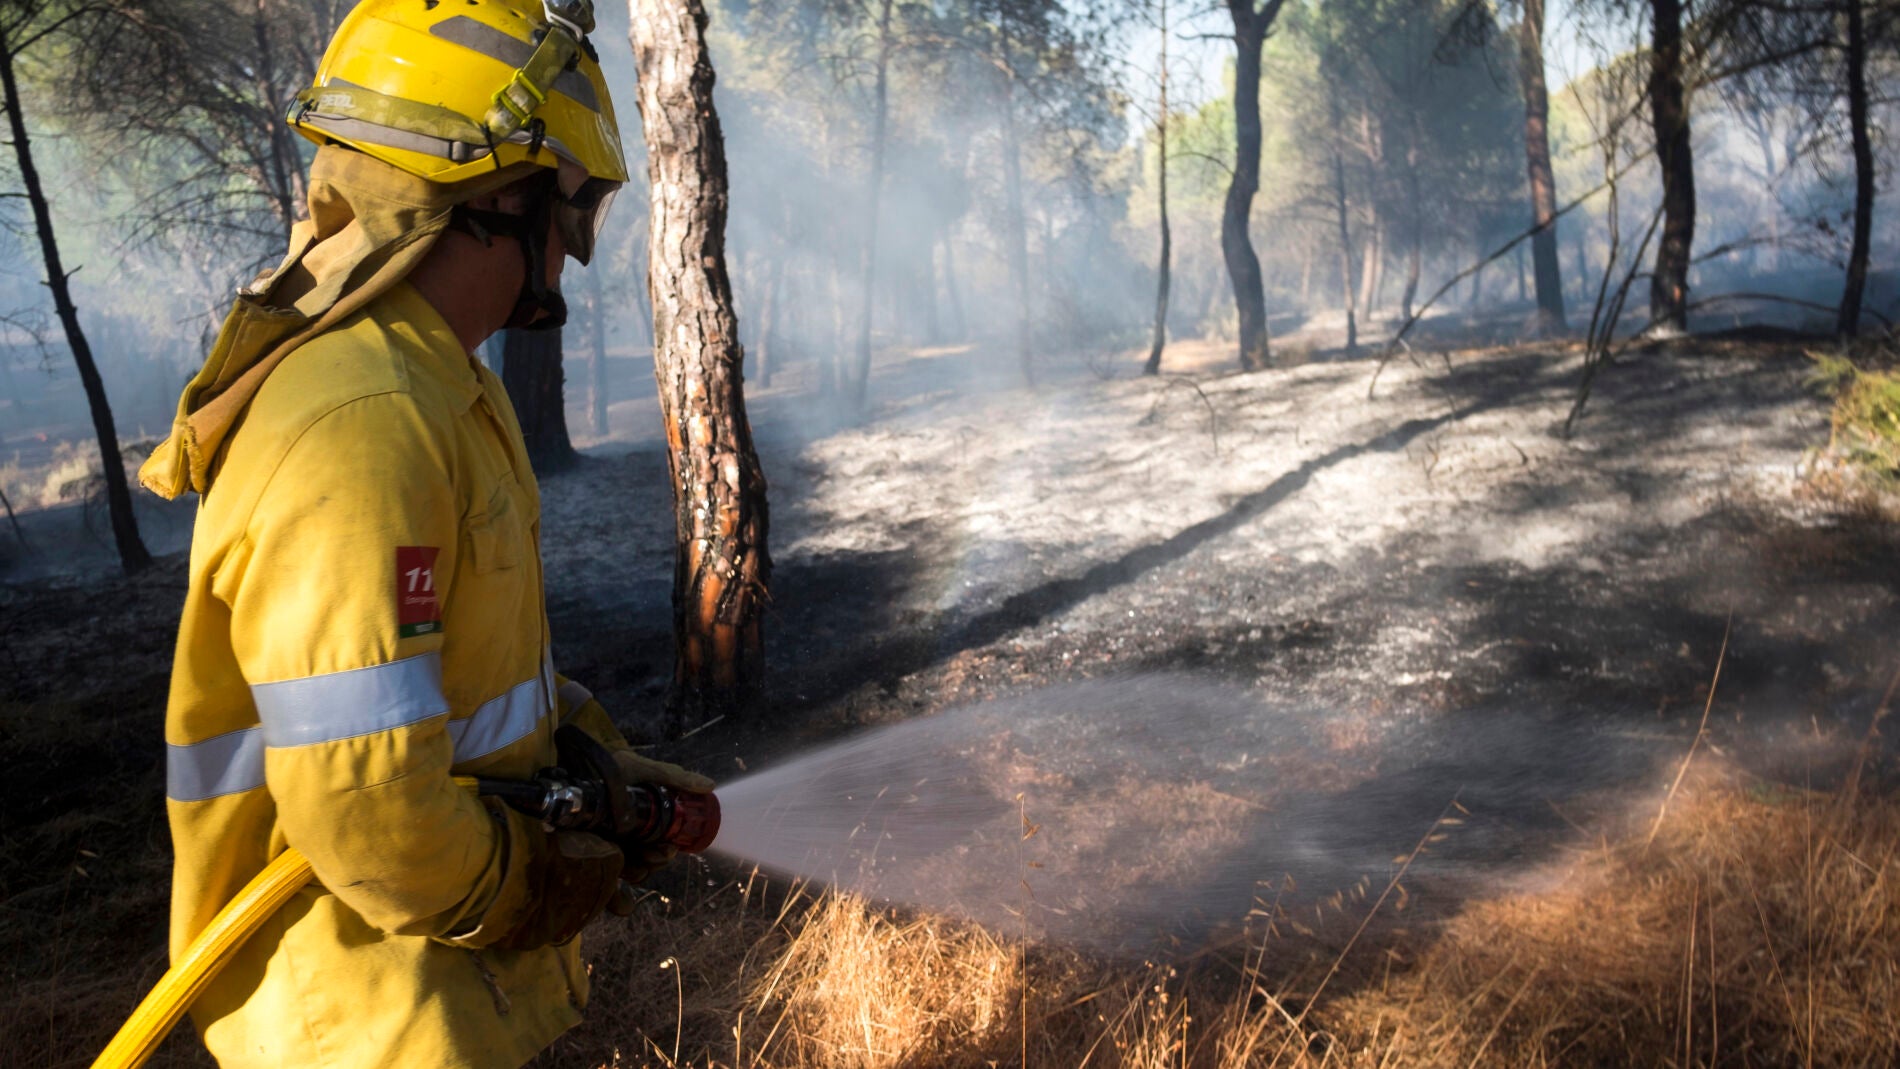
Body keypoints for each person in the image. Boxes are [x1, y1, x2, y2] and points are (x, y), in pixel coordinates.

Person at [137, 2, 708, 1065]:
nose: (572, 248)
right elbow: (370, 807)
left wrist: (598, 756)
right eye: (568, 203)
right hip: (372, 1019)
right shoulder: (363, 422)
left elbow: (455, 681)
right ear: (496, 194)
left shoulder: (436, 386)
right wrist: (534, 882)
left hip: (442, 994)